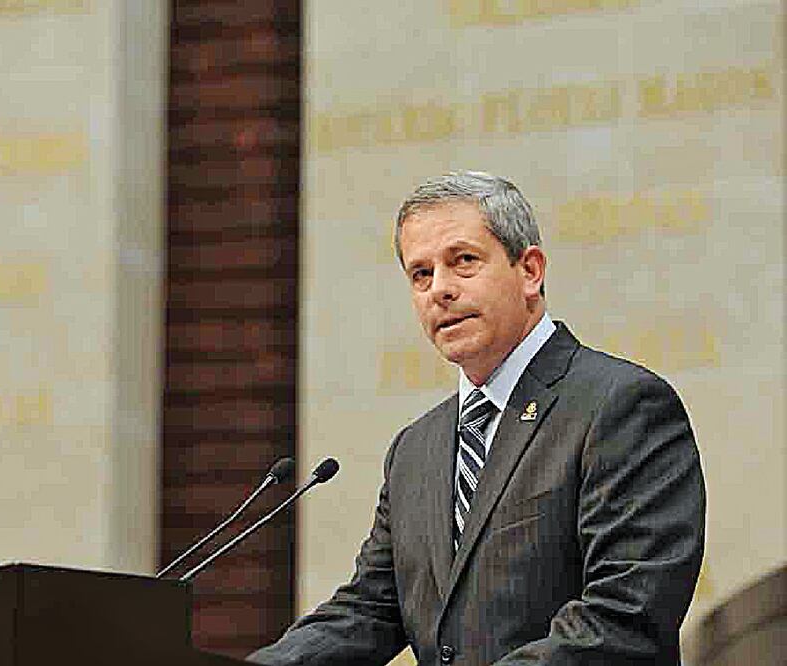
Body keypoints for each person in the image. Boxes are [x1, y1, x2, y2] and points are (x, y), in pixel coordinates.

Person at [247, 171, 705, 666]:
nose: (439, 290)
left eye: (463, 261)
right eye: (420, 274)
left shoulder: (621, 405)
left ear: (529, 270)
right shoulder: (416, 449)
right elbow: (369, 610)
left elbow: (624, 618)